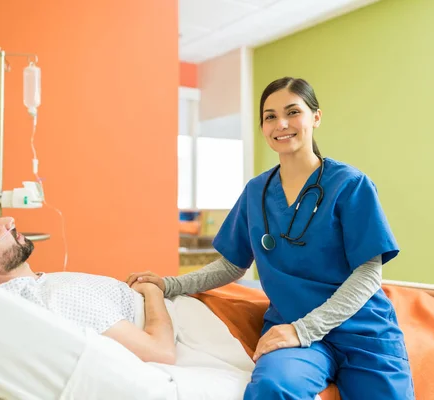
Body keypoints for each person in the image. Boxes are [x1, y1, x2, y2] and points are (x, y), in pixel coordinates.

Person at [128, 77, 415, 399]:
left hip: (361, 331)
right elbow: (232, 265)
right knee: (272, 387)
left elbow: (368, 272)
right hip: (291, 329)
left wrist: (305, 329)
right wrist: (169, 284)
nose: (281, 124)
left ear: (315, 117)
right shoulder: (256, 192)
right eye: (270, 116)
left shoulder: (350, 184)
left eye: (293, 112)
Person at [0, 200, 176, 365]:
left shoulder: (37, 290)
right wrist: (152, 290)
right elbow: (161, 352)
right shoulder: (57, 299)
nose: (8, 221)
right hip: (173, 320)